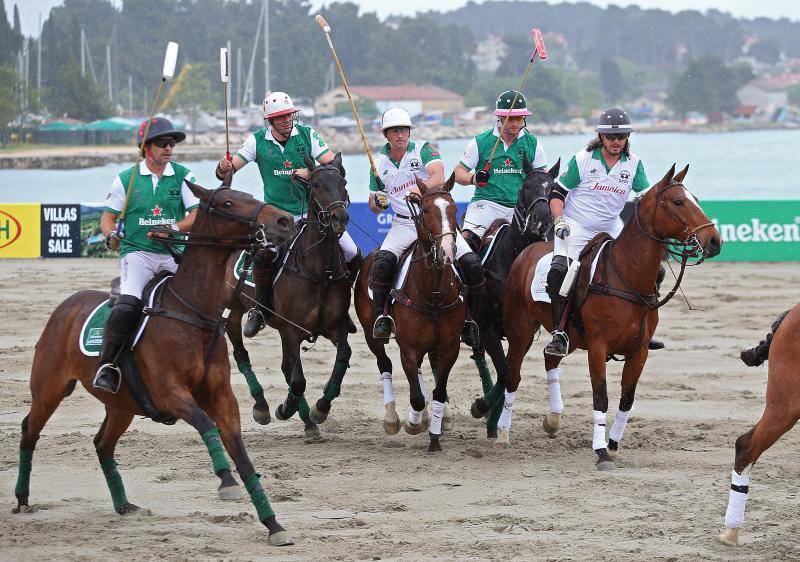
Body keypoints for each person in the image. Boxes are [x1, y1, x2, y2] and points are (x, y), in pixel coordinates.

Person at [216, 91, 361, 337]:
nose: (286, 121)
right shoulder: (256, 141)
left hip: (313, 215)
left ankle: (339, 308)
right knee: (265, 255)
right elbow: (227, 173)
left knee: (352, 253)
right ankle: (260, 310)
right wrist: (223, 167)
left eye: (289, 116)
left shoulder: (307, 135)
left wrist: (310, 171)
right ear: (270, 121)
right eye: (280, 118)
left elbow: (332, 165)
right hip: (277, 216)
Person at [543, 107, 663, 358]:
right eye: (611, 137)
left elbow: (646, 198)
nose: (616, 141)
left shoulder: (634, 164)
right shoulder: (583, 159)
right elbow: (557, 193)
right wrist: (559, 219)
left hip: (611, 225)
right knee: (559, 272)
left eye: (621, 137)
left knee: (656, 270)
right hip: (577, 225)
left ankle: (642, 326)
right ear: (601, 137)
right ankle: (560, 333)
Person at [93, 117, 199, 394]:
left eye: (172, 144)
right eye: (163, 143)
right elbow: (107, 219)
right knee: (128, 304)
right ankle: (108, 365)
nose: (169, 148)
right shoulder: (126, 180)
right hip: (138, 254)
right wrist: (110, 236)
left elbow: (196, 215)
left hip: (173, 254)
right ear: (146, 147)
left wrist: (173, 227)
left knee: (201, 300)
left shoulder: (183, 175)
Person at [367, 107, 485, 346]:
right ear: (386, 135)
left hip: (433, 220)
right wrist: (378, 202)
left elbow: (438, 176)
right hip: (404, 223)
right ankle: (383, 316)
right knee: (382, 263)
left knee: (471, 263)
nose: (401, 135)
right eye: (395, 131)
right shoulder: (378, 164)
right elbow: (373, 204)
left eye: (404, 130)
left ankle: (470, 318)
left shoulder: (424, 149)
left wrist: (418, 190)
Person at [454, 90, 548, 251]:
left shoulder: (533, 143)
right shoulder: (481, 141)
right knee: (465, 245)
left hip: (520, 209)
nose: (515, 123)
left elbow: (542, 179)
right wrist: (473, 178)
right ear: (500, 117)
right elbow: (458, 173)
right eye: (510, 118)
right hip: (486, 205)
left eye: (519, 118)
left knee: (542, 248)